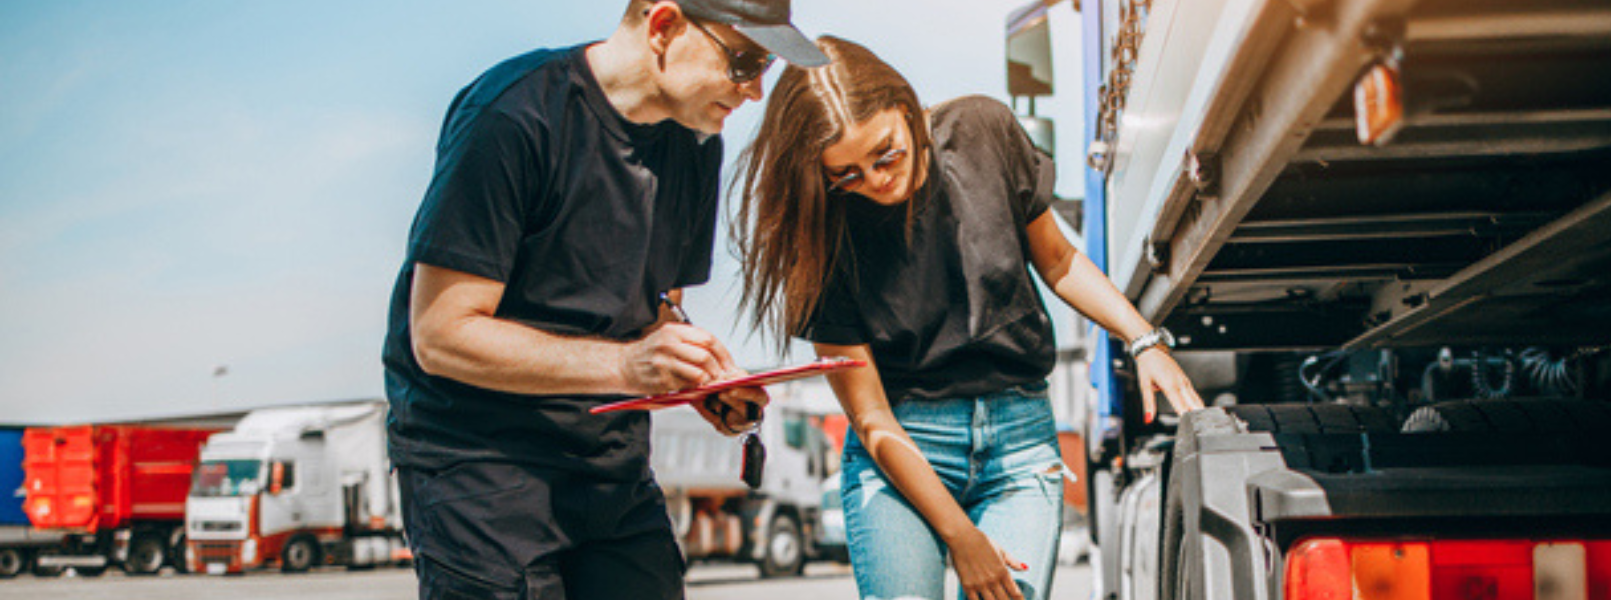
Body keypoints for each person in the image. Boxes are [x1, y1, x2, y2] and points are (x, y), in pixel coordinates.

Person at [733, 37, 1206, 600]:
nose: (876, 180)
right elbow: (872, 420)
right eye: (849, 174)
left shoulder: (983, 131)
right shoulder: (822, 234)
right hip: (902, 451)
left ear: (905, 109)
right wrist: (962, 538)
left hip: (1018, 445)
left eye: (885, 154)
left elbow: (1057, 260)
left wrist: (1143, 338)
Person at [380, 2, 826, 599]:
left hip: (607, 464)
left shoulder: (696, 143)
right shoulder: (514, 115)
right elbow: (439, 334)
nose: (754, 89)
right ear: (664, 25)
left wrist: (695, 373)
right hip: (480, 466)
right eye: (744, 60)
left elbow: (653, 306)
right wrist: (623, 367)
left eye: (767, 63)